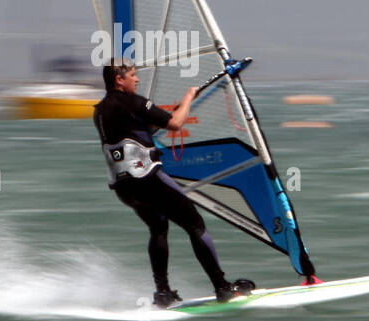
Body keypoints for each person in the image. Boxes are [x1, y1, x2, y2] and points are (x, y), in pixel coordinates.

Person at [93, 61, 253, 308]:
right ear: (119, 80)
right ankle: (222, 287)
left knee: (158, 228)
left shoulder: (101, 110)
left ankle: (163, 292)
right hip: (147, 180)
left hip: (125, 188)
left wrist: (172, 113)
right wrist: (189, 97)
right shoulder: (133, 102)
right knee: (195, 225)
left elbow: (143, 127)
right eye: (133, 76)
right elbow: (175, 124)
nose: (137, 80)